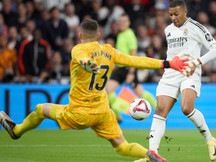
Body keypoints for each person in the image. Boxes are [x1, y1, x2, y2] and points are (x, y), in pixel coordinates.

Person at [0, 19, 189, 162]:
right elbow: (137, 61)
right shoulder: (109, 51)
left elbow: (81, 57)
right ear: (98, 35)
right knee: (122, 146)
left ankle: (16, 131)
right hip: (102, 113)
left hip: (79, 114)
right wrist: (167, 63)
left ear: (80, 35)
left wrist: (87, 64)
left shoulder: (78, 49)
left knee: (41, 109)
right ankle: (150, 155)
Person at [148, 0, 216, 161]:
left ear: (185, 12)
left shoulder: (196, 27)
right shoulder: (168, 30)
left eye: (176, 14)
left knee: (187, 108)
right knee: (160, 110)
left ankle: (210, 139)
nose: (173, 18)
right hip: (171, 73)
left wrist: (196, 62)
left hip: (190, 71)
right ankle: (152, 153)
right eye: (171, 14)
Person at [106, 14, 157, 122]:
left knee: (140, 93)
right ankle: (117, 117)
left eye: (124, 21)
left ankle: (159, 111)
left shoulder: (130, 35)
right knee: (108, 90)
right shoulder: (120, 34)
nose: (121, 24)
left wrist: (131, 72)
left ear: (128, 23)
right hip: (120, 68)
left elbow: (134, 55)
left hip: (128, 68)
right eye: (120, 21)